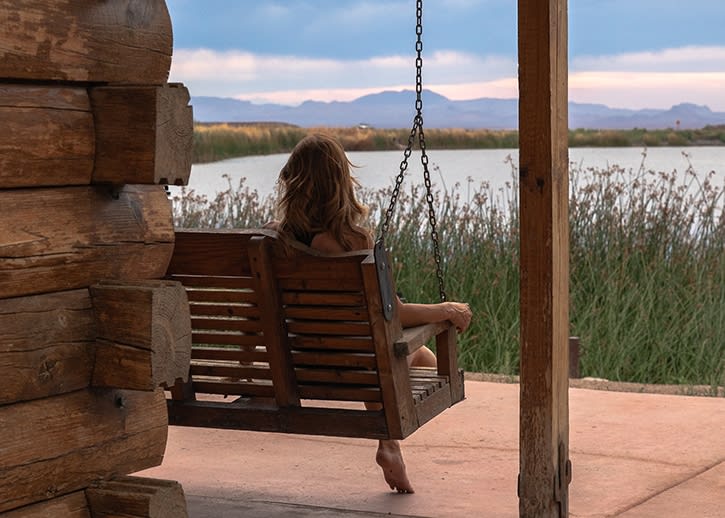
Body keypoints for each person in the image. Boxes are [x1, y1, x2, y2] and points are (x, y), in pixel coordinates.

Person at [268, 133, 473, 493]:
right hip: (357, 366)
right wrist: (446, 310)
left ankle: (390, 445)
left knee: (408, 355)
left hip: (302, 364)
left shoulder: (275, 242)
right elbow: (391, 312)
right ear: (341, 183)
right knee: (414, 356)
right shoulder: (352, 242)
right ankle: (388, 442)